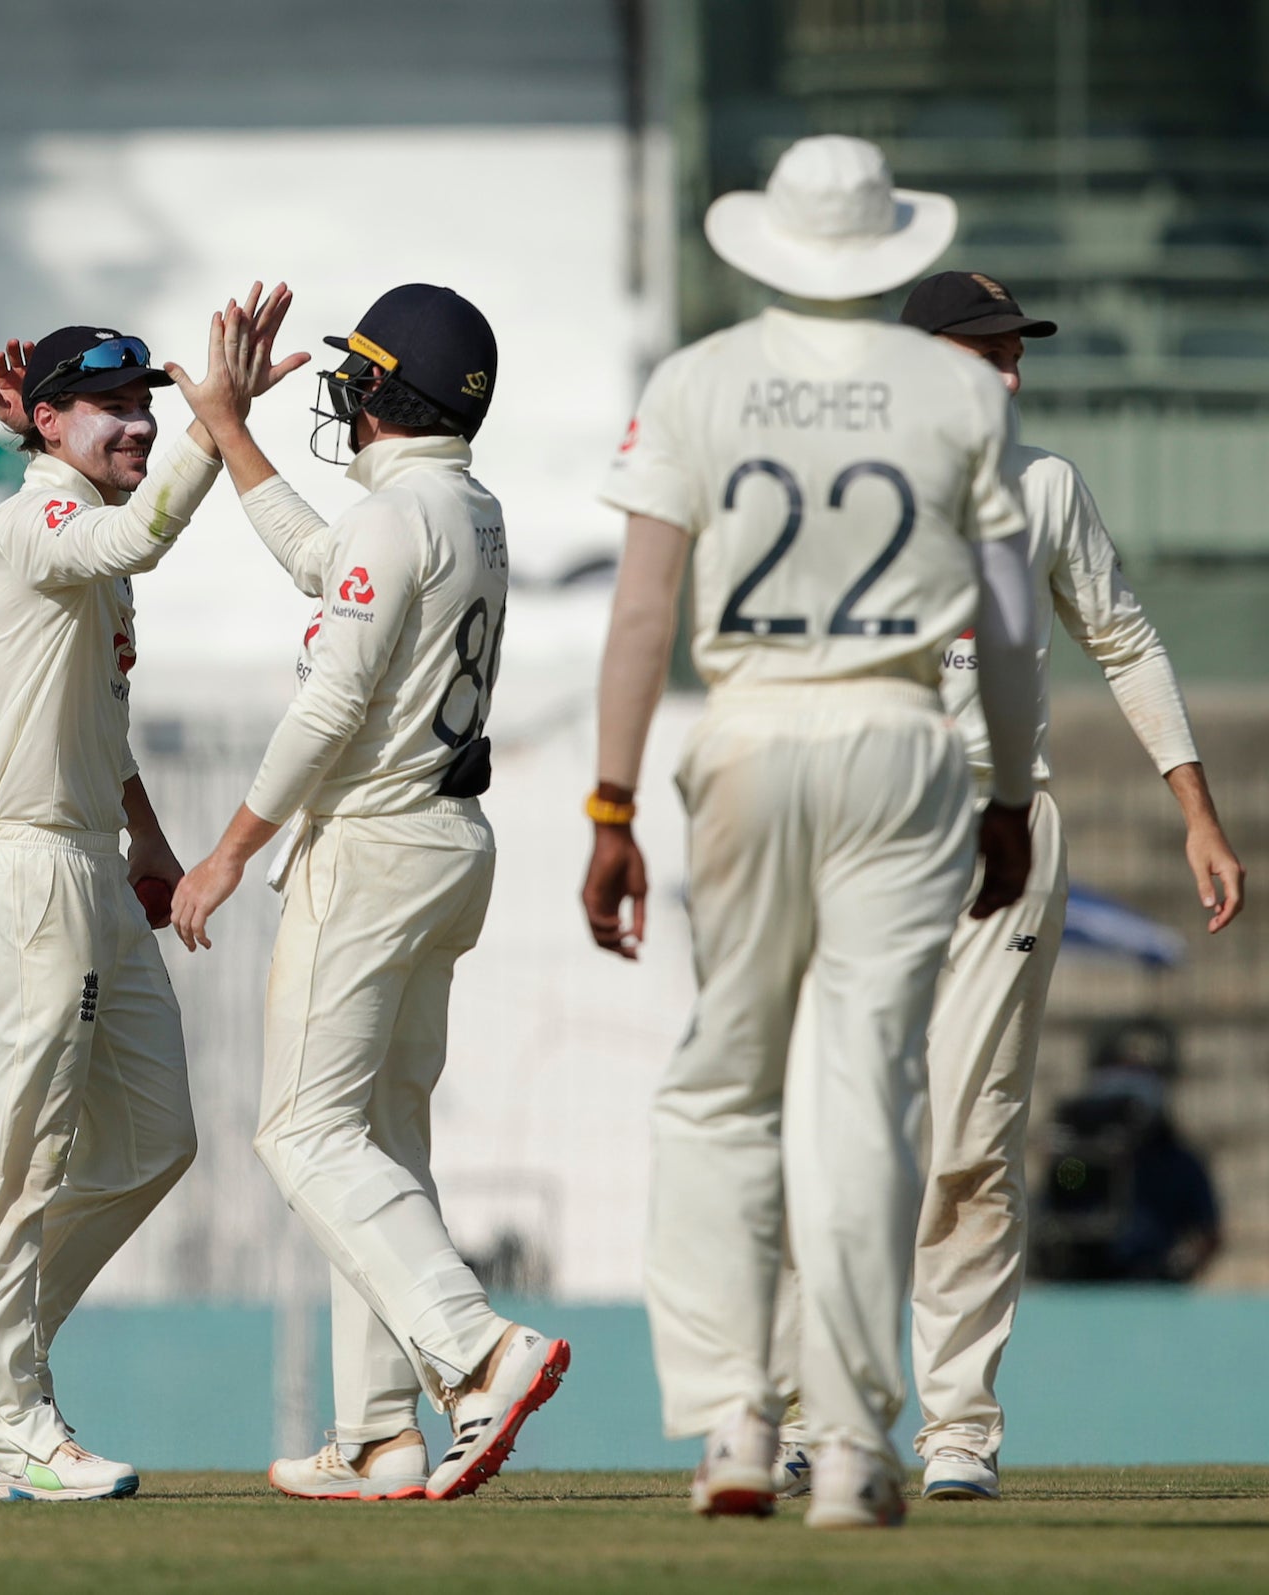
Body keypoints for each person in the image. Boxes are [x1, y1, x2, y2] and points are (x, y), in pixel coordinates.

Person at [584, 135, 1044, 1529]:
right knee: (865, 1090)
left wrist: (611, 805)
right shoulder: (960, 389)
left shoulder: (699, 380)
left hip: (750, 729)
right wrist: (1011, 794)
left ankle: (736, 1417)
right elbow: (1012, 619)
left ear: (767, 245)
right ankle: (849, 1441)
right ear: (893, 245)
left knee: (724, 1077)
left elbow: (645, 612)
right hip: (903, 742)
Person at [769, 272, 1246, 1506]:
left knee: (971, 1137)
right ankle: (809, 1407)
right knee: (838, 1123)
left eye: (1014, 352)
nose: (1009, 375)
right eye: (985, 353)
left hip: (1005, 829)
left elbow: (1125, 639)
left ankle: (959, 1426)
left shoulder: (1044, 489)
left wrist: (1194, 810)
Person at [169, 284, 570, 1503]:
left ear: (391, 392)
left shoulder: (399, 520)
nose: (340, 392)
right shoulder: (461, 508)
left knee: (303, 1131)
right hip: (447, 845)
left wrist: (231, 847)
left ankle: (481, 1347)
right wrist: (230, 427)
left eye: (356, 374)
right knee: (379, 1144)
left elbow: (332, 702)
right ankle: (380, 1432)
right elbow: (320, 559)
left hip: (375, 847)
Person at [0, 299, 292, 1503]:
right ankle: (7, 1414)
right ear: (46, 422)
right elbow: (139, 539)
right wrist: (216, 422)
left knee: (154, 1136)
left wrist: (146, 839)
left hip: (90, 857)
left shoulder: (74, 507)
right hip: (25, 861)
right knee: (23, 1142)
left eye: (147, 402)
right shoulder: (44, 512)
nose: (138, 422)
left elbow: (100, 709)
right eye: (112, 406)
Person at [1033, 1018, 1223, 1285]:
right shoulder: (1077, 1158)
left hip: (1149, 1287)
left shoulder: (1179, 1161)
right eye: (1122, 1070)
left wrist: (1179, 1268)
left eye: (1143, 1073)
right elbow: (1054, 1206)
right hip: (1080, 1283)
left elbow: (1208, 1232)